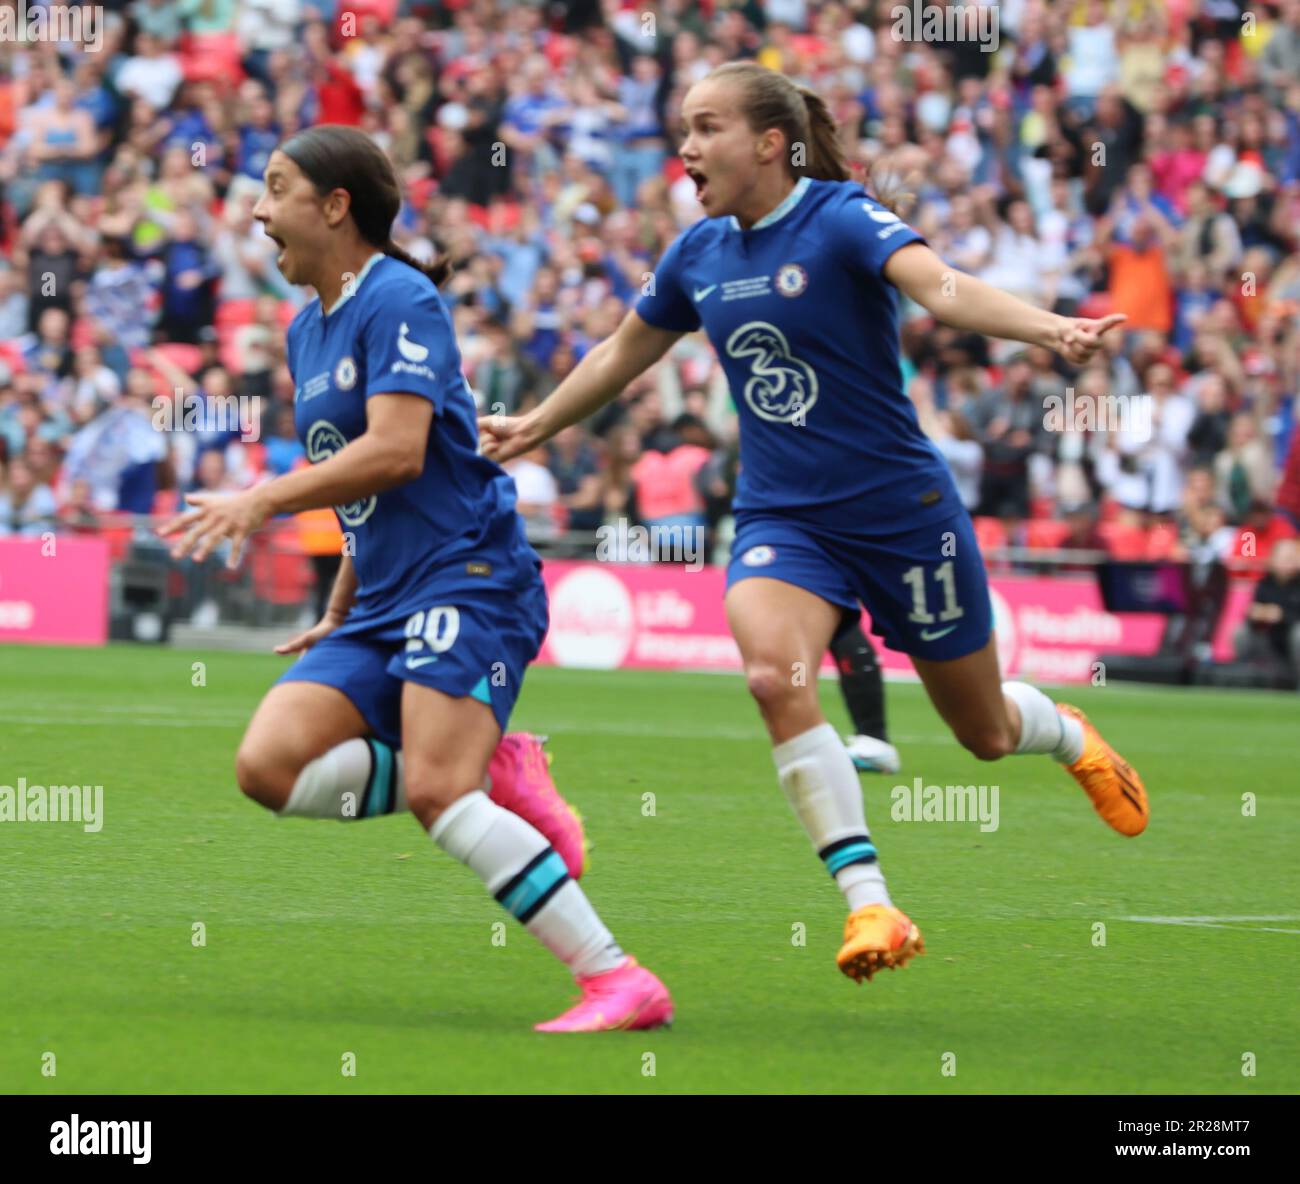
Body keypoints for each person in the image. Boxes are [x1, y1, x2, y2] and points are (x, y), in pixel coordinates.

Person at [480, 63, 1148, 987]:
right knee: (770, 674)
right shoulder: (697, 253)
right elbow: (621, 352)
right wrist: (534, 423)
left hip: (902, 514)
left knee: (984, 733)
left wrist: (1049, 329)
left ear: (766, 142)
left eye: (706, 127)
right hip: (783, 516)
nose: (685, 147)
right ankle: (870, 901)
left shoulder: (840, 218)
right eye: (682, 127)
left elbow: (942, 288)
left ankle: (1067, 733)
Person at [158, 125, 671, 1033]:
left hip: (469, 576)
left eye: (275, 189)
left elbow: (396, 454)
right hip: (384, 598)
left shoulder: (402, 298)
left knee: (439, 793)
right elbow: (357, 474)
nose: (257, 211)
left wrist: (261, 501)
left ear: (335, 205)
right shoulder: (305, 326)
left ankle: (618, 980)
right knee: (268, 766)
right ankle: (500, 764)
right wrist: (341, 603)